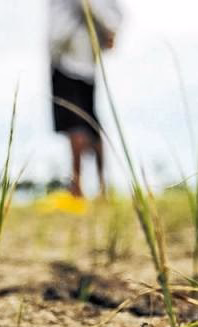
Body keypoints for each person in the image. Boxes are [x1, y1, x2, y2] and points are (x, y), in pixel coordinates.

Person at [49, 0, 123, 197]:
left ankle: (78, 187)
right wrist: (108, 29)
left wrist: (108, 28)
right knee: (90, 119)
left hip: (69, 54)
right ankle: (101, 187)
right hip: (85, 56)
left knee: (75, 122)